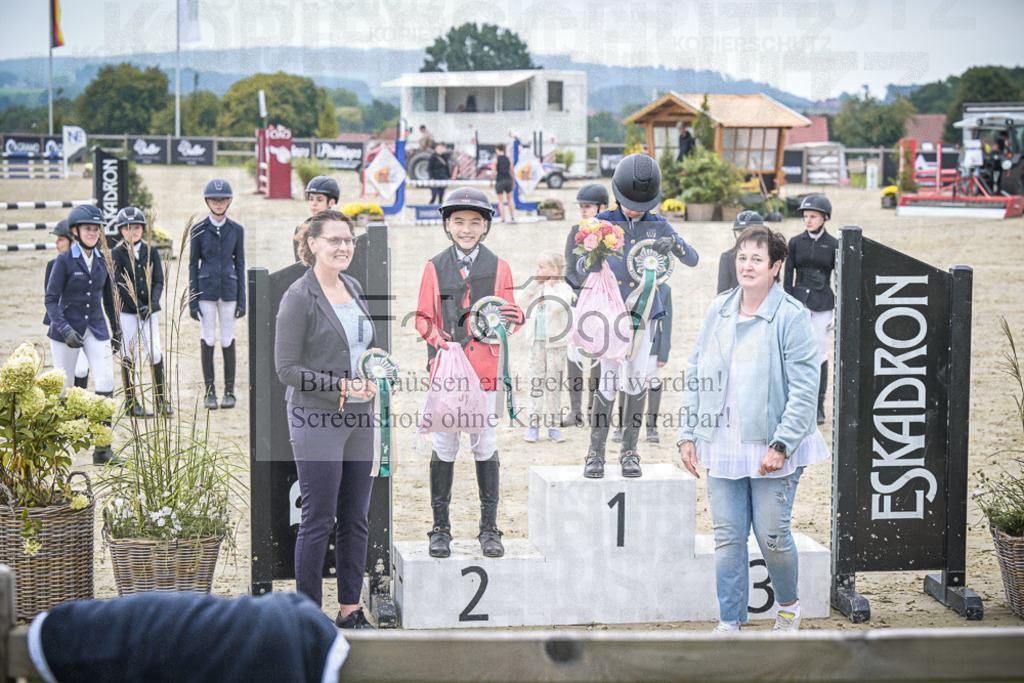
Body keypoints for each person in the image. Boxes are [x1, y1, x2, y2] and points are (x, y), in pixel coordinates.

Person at [678, 226, 828, 633]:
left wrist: (782, 444)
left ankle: (789, 608)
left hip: (773, 445)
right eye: (742, 257)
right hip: (722, 442)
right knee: (727, 537)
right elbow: (696, 372)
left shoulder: (792, 317)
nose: (746, 265)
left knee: (772, 535)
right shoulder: (719, 309)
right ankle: (729, 622)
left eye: (757, 259)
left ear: (776, 267)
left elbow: (804, 389)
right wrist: (688, 432)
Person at [275, 210, 378, 630]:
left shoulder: (352, 286)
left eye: (348, 240)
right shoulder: (298, 297)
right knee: (318, 518)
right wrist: (342, 388)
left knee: (356, 516)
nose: (343, 247)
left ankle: (351, 610)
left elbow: (362, 348)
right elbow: (287, 369)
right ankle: (307, 617)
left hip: (361, 418)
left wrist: (371, 378)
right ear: (312, 243)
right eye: (334, 240)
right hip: (315, 417)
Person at [573, 154, 698, 479]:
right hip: (611, 313)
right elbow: (577, 267)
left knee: (637, 380)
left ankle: (630, 450)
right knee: (608, 382)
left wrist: (675, 245)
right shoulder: (601, 222)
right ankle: (595, 453)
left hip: (645, 313)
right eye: (630, 204)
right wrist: (593, 263)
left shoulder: (658, 223)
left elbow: (693, 259)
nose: (634, 210)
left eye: (640, 205)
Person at [415, 187, 524, 559]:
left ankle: (489, 528)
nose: (466, 229)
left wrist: (514, 318)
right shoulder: (433, 266)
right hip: (448, 368)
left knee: (485, 443)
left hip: (486, 371)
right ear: (447, 225)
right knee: (445, 444)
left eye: (474, 222)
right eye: (459, 222)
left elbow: (510, 313)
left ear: (485, 227)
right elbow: (423, 319)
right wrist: (440, 341)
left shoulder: (500, 267)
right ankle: (440, 528)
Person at [44, 204, 119, 465]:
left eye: (96, 229)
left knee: (107, 381)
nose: (93, 233)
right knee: (63, 390)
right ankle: (52, 446)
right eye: (88, 228)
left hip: (96, 329)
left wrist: (116, 331)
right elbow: (51, 300)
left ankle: (103, 449)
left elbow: (109, 300)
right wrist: (64, 329)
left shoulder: (102, 260)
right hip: (66, 330)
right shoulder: (64, 261)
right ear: (76, 231)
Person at [189, 179, 246, 411]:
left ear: (228, 202)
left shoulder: (236, 230)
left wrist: (242, 298)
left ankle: (229, 391)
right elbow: (193, 265)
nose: (219, 203)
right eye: (215, 200)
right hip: (206, 291)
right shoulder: (198, 229)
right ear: (208, 202)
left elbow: (240, 264)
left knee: (227, 339)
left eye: (222, 200)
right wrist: (193, 299)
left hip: (229, 291)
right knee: (208, 337)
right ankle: (210, 391)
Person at [110, 207, 172, 418]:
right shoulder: (116, 253)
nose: (133, 231)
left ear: (142, 229)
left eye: (136, 228)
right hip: (128, 311)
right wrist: (136, 306)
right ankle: (131, 401)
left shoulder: (151, 251)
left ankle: (161, 400)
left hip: (149, 310)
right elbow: (119, 283)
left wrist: (152, 305)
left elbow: (158, 281)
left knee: (154, 352)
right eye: (128, 228)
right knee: (128, 353)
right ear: (121, 231)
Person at [784, 194, 838, 425]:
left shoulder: (834, 244)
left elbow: (839, 277)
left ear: (824, 218)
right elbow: (788, 275)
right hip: (798, 302)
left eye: (812, 216)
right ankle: (793, 403)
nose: (808, 220)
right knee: (794, 352)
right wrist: (786, 302)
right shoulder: (795, 242)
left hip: (823, 302)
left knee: (819, 354)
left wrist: (837, 309)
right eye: (805, 216)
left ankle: (818, 407)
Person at [562, 183, 609, 428]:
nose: (582, 211)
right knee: (575, 353)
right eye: (581, 207)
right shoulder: (575, 231)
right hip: (579, 300)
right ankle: (575, 410)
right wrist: (578, 294)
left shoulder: (612, 234)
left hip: (603, 303)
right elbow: (569, 267)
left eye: (587, 207)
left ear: (602, 207)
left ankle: (594, 408)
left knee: (600, 354)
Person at [521, 250, 573, 443]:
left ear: (554, 269)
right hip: (537, 343)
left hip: (556, 345)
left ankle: (552, 425)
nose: (537, 270)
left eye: (541, 267)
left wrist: (548, 287)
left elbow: (556, 306)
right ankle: (533, 425)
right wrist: (536, 283)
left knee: (553, 384)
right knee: (536, 382)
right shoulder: (538, 287)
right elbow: (521, 298)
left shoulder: (564, 290)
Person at [44, 218, 90, 390]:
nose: (56, 243)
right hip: (62, 327)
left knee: (81, 370)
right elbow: (50, 300)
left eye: (61, 239)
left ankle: (79, 412)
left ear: (73, 241)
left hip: (84, 325)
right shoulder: (53, 265)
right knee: (63, 376)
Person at [293, 175, 340, 261]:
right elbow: (299, 263)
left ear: (331, 202)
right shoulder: (301, 229)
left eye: (319, 200)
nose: (314, 204)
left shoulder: (342, 227)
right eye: (311, 199)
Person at [718, 211, 763, 294]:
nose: (742, 235)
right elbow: (722, 291)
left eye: (746, 230)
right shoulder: (727, 257)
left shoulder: (766, 255)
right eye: (739, 231)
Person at [489, 143, 515, 223]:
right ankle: (512, 217)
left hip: (500, 180)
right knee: (510, 199)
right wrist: (513, 181)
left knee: (501, 201)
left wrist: (491, 181)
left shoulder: (495, 160)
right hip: (508, 180)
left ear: (497, 149)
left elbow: (493, 172)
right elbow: (512, 171)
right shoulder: (509, 159)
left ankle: (503, 219)